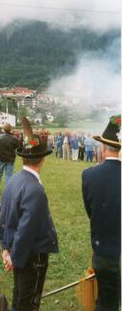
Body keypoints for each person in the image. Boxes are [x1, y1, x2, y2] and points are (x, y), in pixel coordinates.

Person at [0, 130, 58, 311]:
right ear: (42, 159)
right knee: (29, 302)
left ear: (23, 158)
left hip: (18, 251)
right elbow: (26, 229)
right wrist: (13, 256)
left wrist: (6, 248)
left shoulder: (13, 179)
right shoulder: (35, 189)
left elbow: (5, 217)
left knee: (20, 296)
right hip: (32, 255)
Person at [82, 115, 121, 311]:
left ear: (104, 149)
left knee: (106, 302)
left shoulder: (89, 175)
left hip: (104, 248)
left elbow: (91, 211)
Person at [0, 123, 20, 194]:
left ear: (3, 129)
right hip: (10, 159)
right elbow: (19, 147)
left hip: (1, 158)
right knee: (8, 175)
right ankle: (7, 190)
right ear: (10, 129)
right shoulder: (14, 138)